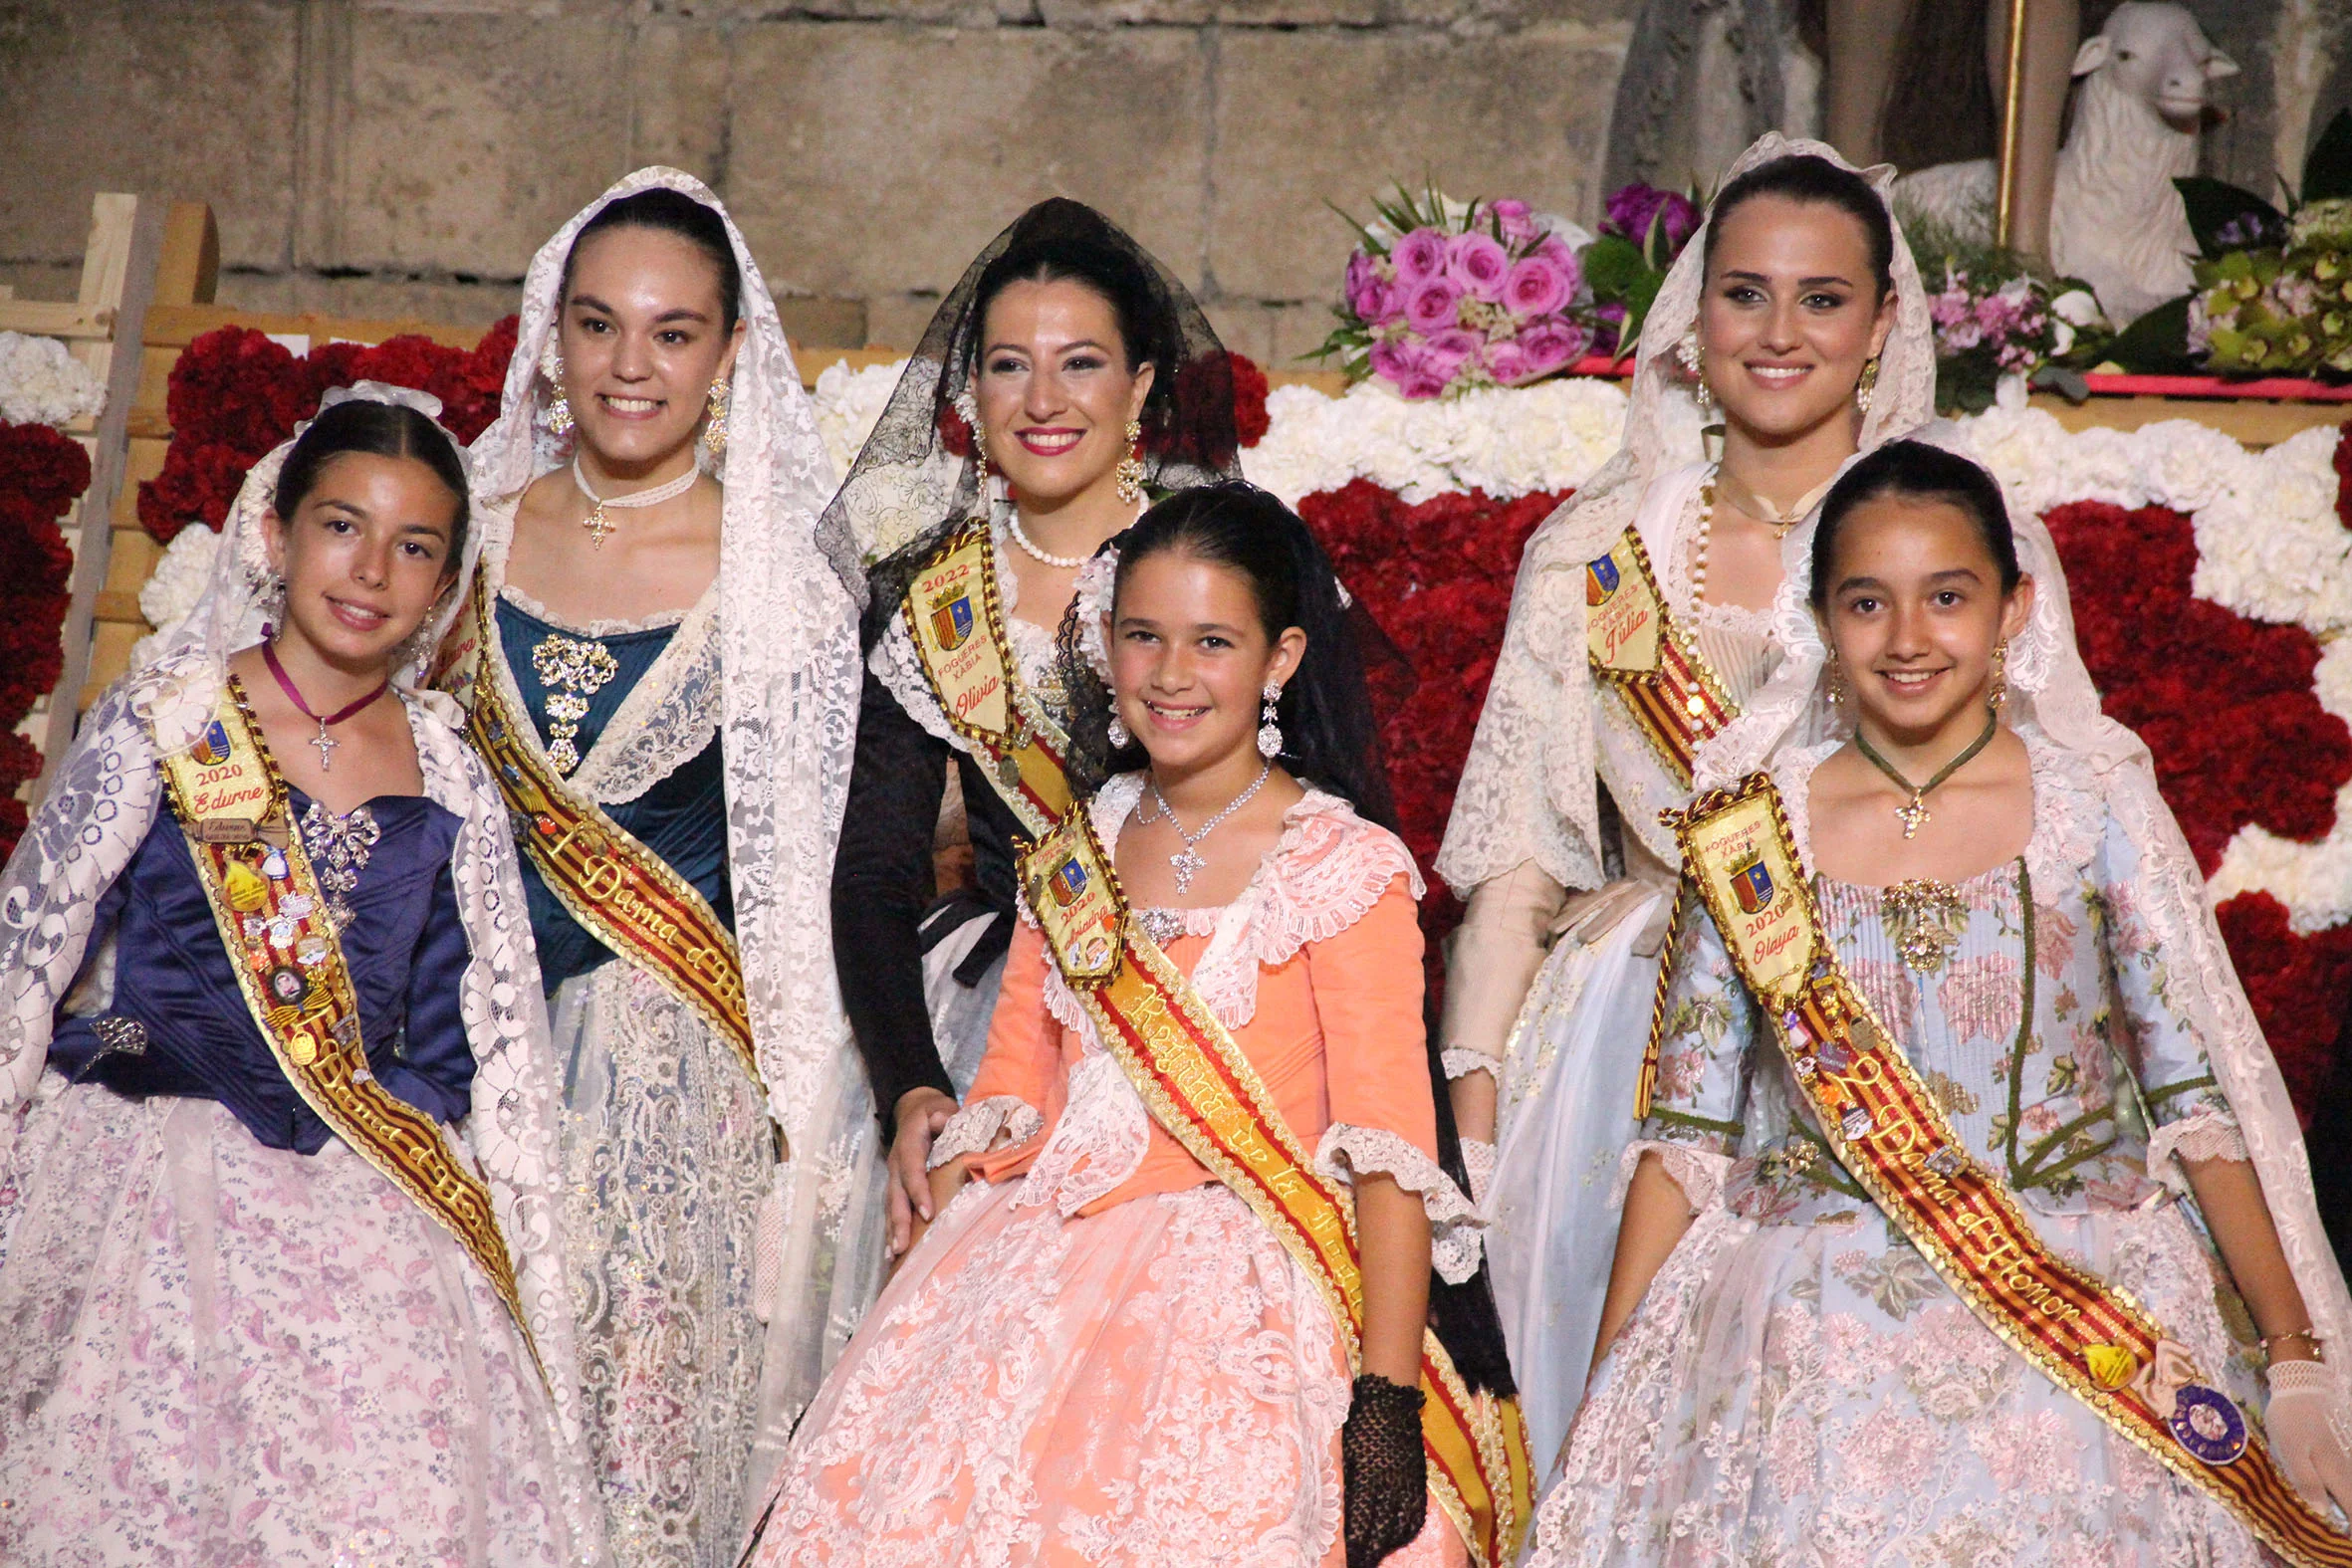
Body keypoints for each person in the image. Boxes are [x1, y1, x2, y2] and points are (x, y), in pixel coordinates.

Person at [1529, 440, 2352, 1564]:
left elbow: (2193, 1107)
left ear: (2014, 608)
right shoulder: (1749, 830)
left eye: (1947, 597)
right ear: (1818, 619)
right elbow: (1685, 1140)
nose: (1908, 639)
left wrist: (2295, 1358)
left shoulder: (2088, 811)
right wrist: (1611, 1390)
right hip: (1807, 1337)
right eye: (1866, 602)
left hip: (2085, 1333)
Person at [743, 483, 1526, 1568]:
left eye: (1212, 642)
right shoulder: (1076, 849)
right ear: (1104, 643)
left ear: (1281, 659)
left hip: (1247, 1303)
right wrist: (923, 1323)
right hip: (1033, 1267)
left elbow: (1393, 1154)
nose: (1169, 674)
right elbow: (1016, 1081)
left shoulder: (1341, 868)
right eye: (1142, 636)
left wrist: (1386, 1402)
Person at [0, 387, 601, 1565]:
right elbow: (31, 958)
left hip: (373, 1171)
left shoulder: (449, 769)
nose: (371, 569)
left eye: (414, 546)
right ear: (276, 536)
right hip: (155, 1151)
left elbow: (497, 1031)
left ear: (444, 585)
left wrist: (521, 1232)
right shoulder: (173, 717)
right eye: (342, 526)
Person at [1434, 132, 1937, 1470]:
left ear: (1880, 324)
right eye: (1744, 292)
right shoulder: (1591, 550)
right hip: (1622, 1034)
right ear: (1691, 314)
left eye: (1821, 298)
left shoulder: (1949, 545)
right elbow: (1515, 871)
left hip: (1879, 1023)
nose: (1778, 332)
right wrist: (1470, 1146)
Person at [436, 168, 860, 1562]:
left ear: (731, 352)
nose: (632, 365)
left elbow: (805, 868)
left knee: (631, 1443)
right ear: (550, 335)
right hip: (452, 1040)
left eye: (674, 333)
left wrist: (807, 1136)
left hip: (668, 1077)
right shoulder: (459, 530)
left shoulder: (781, 570)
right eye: (601, 324)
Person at [821, 198, 1246, 1267]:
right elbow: (874, 867)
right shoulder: (932, 597)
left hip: (1215, 998)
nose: (1044, 401)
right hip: (999, 1012)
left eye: (1082, 364)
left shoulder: (1219, 560)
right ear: (971, 391)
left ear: (1142, 384)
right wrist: (913, 1082)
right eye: (1010, 366)